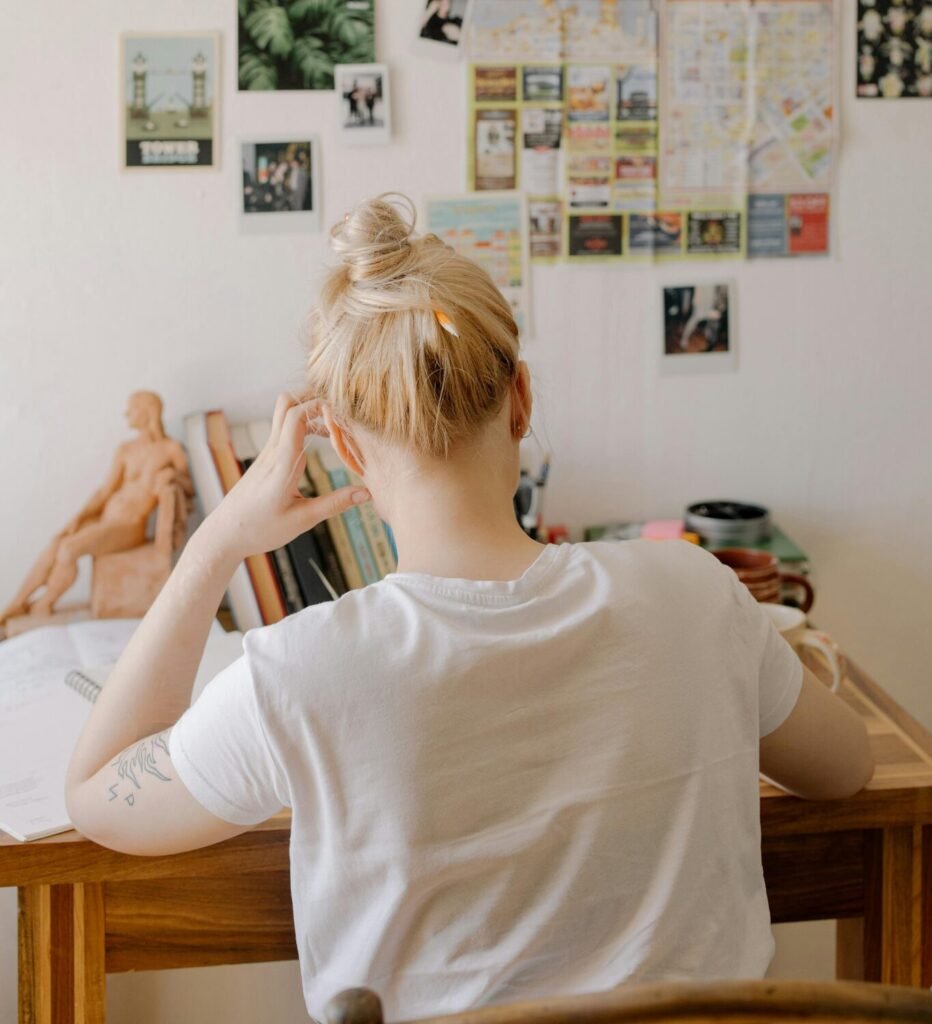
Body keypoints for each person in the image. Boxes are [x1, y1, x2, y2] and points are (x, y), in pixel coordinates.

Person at [65, 195, 874, 1022]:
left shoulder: (300, 672)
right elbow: (848, 769)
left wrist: (216, 543)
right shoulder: (698, 591)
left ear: (342, 448)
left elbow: (93, 796)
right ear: (520, 401)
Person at [0, 391, 191, 625]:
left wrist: (170, 476)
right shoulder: (126, 449)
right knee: (57, 542)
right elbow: (105, 491)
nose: (126, 414)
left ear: (147, 411)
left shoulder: (170, 449)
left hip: (129, 525)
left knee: (69, 550)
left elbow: (189, 488)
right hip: (107, 518)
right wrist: (78, 518)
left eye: (131, 409)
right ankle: (18, 602)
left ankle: (44, 603)